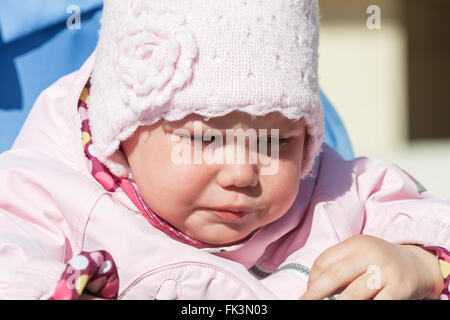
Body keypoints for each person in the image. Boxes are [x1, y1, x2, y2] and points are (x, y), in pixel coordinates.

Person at [0, 0, 448, 300]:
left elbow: (431, 224)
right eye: (205, 139)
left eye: (277, 142)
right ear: (123, 132)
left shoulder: (339, 195)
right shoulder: (45, 200)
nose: (241, 173)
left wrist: (420, 265)